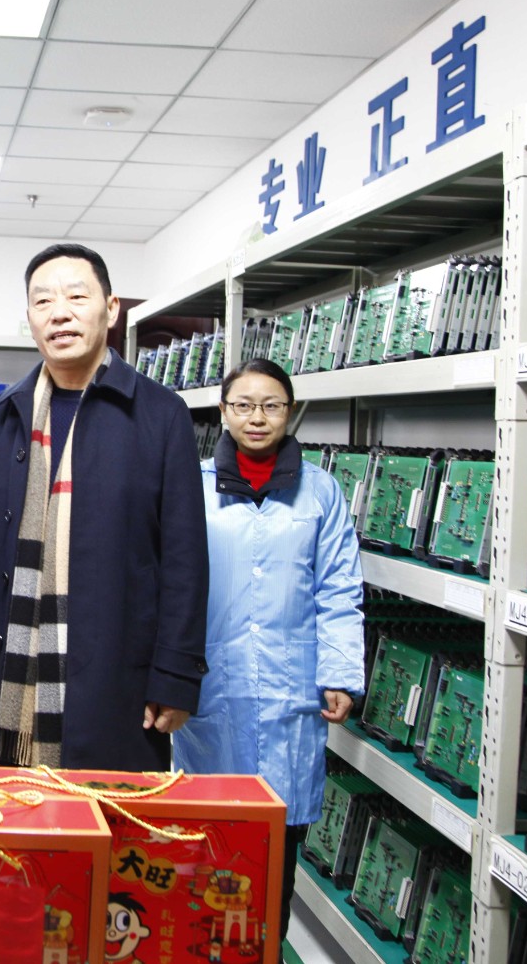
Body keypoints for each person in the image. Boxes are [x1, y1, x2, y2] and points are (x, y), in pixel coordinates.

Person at [0, 243, 209, 772]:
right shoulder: (4, 414)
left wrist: (175, 675)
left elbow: (184, 558)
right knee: (5, 807)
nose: (59, 313)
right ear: (31, 318)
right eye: (43, 301)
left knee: (107, 809)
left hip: (118, 667)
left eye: (76, 297)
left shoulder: (161, 414)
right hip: (6, 661)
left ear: (111, 309)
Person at [171, 357, 365, 941]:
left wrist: (339, 672)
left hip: (291, 688)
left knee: (278, 851)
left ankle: (267, 949)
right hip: (213, 685)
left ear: (289, 411)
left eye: (272, 406)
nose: (257, 418)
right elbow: (170, 584)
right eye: (244, 405)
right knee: (208, 840)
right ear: (223, 412)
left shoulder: (321, 492)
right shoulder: (191, 486)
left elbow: (339, 588)